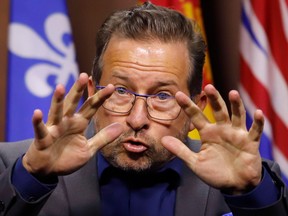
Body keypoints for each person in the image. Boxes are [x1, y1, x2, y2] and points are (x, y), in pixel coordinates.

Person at [0, 2, 287, 216]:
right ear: (92, 92)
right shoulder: (15, 166)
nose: (137, 119)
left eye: (163, 96)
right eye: (121, 91)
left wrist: (248, 194)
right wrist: (32, 177)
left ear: (194, 108)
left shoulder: (247, 181)